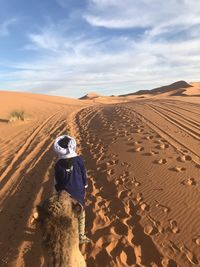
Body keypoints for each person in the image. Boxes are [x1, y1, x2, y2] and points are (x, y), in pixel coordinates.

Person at [53, 134, 90, 244]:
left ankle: (64, 236)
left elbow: (56, 181)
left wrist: (56, 193)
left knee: (64, 214)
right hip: (78, 192)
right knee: (81, 214)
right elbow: (84, 175)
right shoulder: (79, 160)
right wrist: (85, 185)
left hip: (63, 194)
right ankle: (81, 236)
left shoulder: (58, 164)